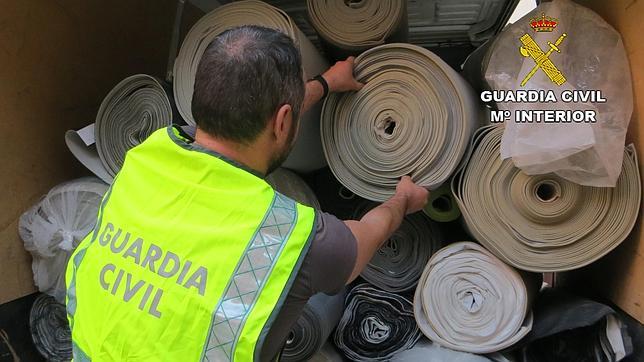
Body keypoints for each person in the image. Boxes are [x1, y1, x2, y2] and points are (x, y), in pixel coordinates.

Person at [65, 25, 428, 361]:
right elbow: (369, 234)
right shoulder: (289, 239)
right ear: (283, 121)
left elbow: (239, 109)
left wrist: (327, 82)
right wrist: (404, 200)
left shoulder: (149, 153)